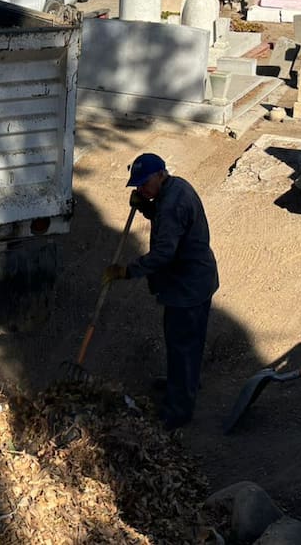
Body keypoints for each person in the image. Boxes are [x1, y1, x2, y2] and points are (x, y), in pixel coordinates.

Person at [105, 153, 219, 431]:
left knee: (182, 345)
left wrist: (127, 271)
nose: (141, 189)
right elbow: (172, 222)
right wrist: (146, 207)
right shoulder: (176, 187)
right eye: (138, 186)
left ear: (160, 175)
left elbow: (163, 255)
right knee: (185, 342)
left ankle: (178, 411)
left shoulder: (171, 205)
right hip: (194, 280)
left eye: (144, 184)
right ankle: (183, 383)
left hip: (188, 286)